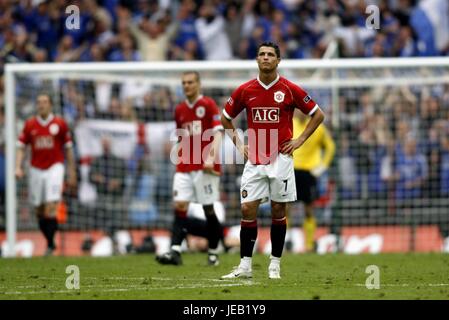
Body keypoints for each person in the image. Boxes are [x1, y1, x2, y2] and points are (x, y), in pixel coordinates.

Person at [220, 41, 325, 279]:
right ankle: (245, 266)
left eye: (270, 55)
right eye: (262, 54)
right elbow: (225, 118)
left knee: (279, 209)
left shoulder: (289, 89)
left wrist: (300, 140)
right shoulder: (245, 90)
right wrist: (239, 144)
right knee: (247, 208)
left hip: (281, 159)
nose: (265, 58)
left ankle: (274, 265)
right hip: (255, 160)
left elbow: (318, 114)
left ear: (278, 61)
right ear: (257, 60)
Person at [156, 71, 224, 266]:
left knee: (208, 209)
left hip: (205, 167)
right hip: (184, 165)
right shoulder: (179, 110)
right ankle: (175, 251)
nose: (187, 86)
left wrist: (211, 158)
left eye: (190, 82)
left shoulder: (208, 105)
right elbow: (180, 136)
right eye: (184, 83)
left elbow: (219, 132)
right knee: (180, 206)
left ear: (198, 84)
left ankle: (213, 252)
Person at [15, 93, 77, 256]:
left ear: (50, 105)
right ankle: (50, 242)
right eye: (38, 102)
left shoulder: (60, 124)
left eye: (44, 102)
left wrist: (71, 171)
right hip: (36, 168)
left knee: (51, 206)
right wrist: (18, 167)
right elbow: (21, 147)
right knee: (39, 210)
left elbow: (68, 148)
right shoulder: (30, 125)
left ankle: (50, 244)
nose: (41, 105)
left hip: (55, 167)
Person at [292, 110, 335, 253]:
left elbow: (330, 146)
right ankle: (285, 242)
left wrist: (323, 166)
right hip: (290, 171)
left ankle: (309, 245)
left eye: (300, 110)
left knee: (308, 210)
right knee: (282, 208)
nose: (298, 113)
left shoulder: (318, 128)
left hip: (309, 173)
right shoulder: (289, 123)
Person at [89, 136, 127, 242]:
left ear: (110, 145)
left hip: (116, 196)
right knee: (102, 215)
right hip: (101, 195)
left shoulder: (118, 161)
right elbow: (90, 177)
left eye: (107, 143)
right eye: (103, 144)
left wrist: (117, 182)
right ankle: (104, 238)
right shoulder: (96, 161)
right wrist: (98, 179)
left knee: (117, 215)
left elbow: (125, 179)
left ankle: (116, 238)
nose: (105, 146)